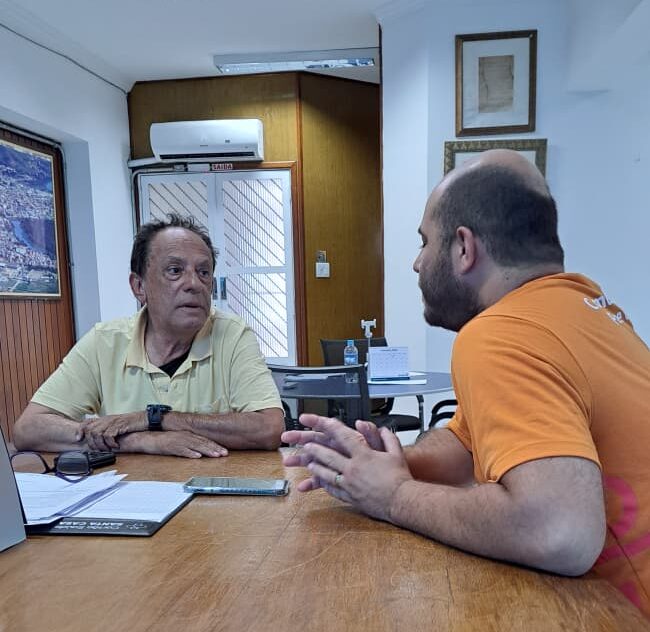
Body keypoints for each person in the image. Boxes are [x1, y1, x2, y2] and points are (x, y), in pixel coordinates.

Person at [282, 150, 650, 615]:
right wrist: (378, 461)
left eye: (424, 241)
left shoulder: (501, 333)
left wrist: (394, 496)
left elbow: (560, 532)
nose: (417, 262)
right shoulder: (583, 307)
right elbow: (465, 447)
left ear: (463, 247)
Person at [13, 213, 284, 458]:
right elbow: (28, 429)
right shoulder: (104, 341)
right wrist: (141, 440)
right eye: (175, 271)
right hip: (128, 490)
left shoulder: (232, 335)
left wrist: (157, 419)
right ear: (139, 286)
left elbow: (269, 428)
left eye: (204, 273)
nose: (194, 284)